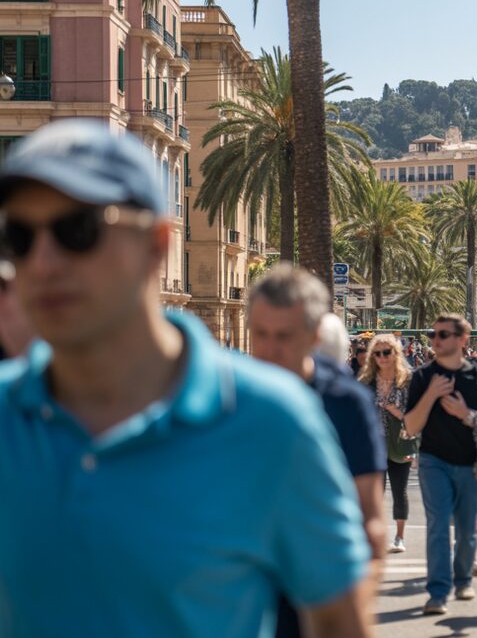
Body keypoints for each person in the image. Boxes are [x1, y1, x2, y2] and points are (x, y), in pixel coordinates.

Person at [0, 120, 372, 636]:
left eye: (76, 231)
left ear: (155, 244)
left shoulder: (270, 420)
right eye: (17, 237)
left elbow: (337, 623)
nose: (41, 263)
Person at [246, 268, 388, 638]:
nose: (269, 349)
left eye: (283, 337)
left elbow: (369, 517)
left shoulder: (346, 404)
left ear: (313, 337)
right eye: (260, 335)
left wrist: (357, 606)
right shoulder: (228, 398)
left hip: (320, 598)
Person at [403, 314, 477, 615]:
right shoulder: (421, 376)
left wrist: (464, 414)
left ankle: (463, 579)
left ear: (462, 339)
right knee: (439, 525)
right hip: (434, 462)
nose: (435, 340)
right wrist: (431, 394)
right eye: (433, 334)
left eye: (442, 334)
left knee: (468, 529)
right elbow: (411, 425)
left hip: (472, 463)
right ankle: (438, 593)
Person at [358, 333, 416, 553]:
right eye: (377, 353)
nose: (382, 357)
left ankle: (399, 537)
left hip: (400, 442)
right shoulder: (365, 381)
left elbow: (415, 413)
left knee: (400, 489)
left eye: (386, 352)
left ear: (396, 353)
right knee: (375, 492)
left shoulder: (407, 380)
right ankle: (375, 536)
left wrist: (394, 411)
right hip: (373, 443)